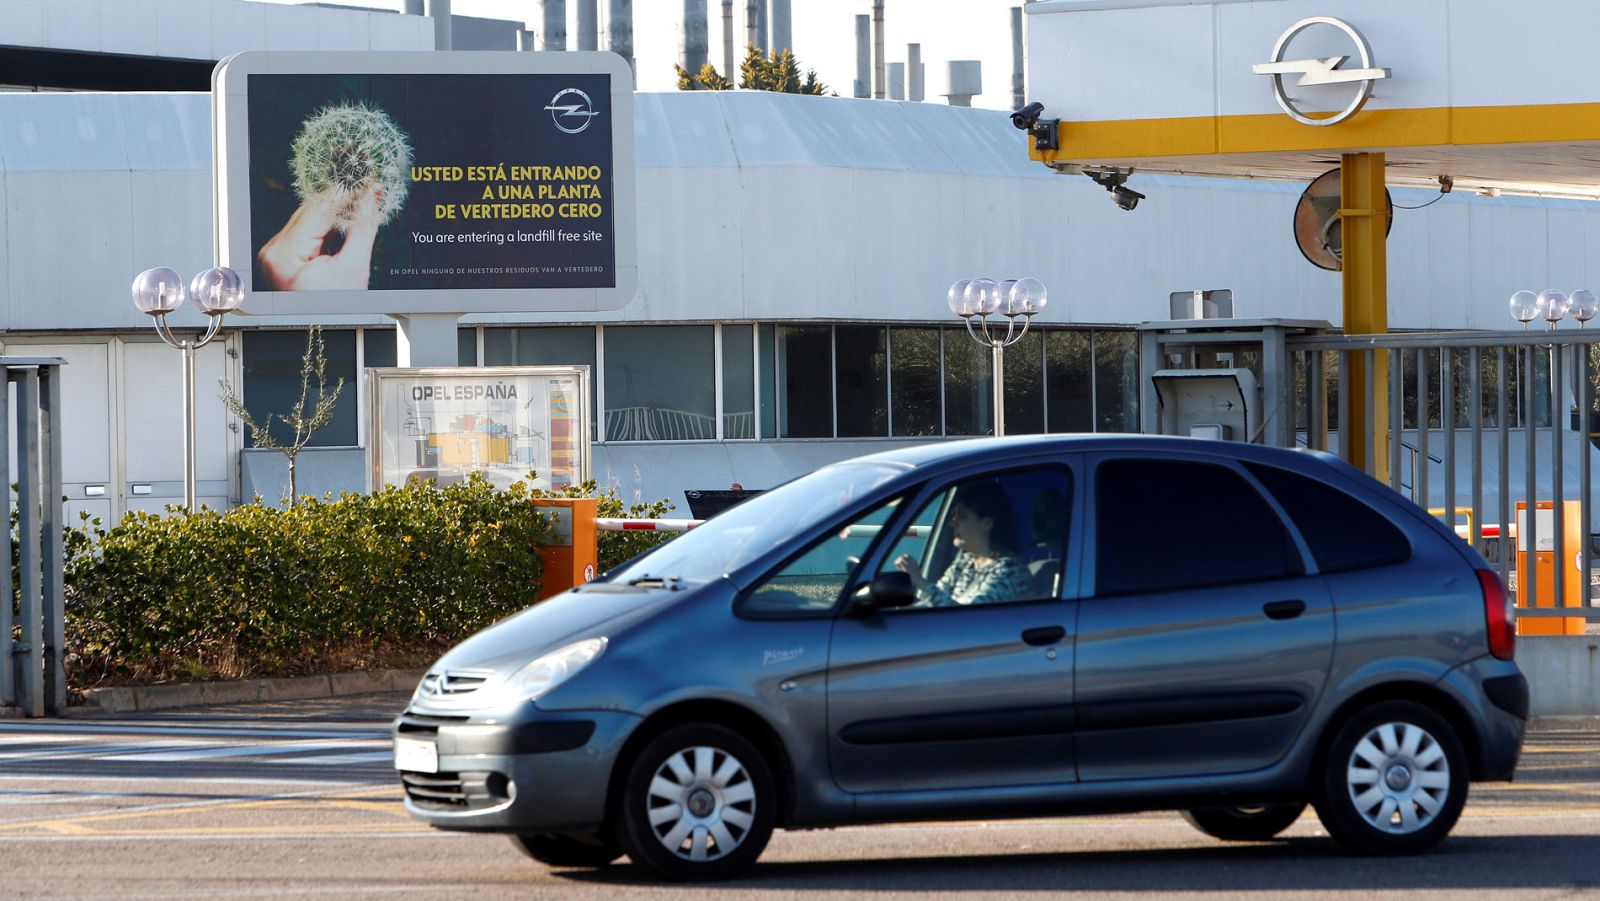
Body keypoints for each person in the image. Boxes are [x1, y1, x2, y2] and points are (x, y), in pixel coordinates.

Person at [894, 480, 1032, 606]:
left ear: (986, 523)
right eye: (954, 517)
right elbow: (934, 602)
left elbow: (966, 619)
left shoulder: (1010, 571)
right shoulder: (964, 563)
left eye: (962, 517)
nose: (953, 523)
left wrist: (920, 582)